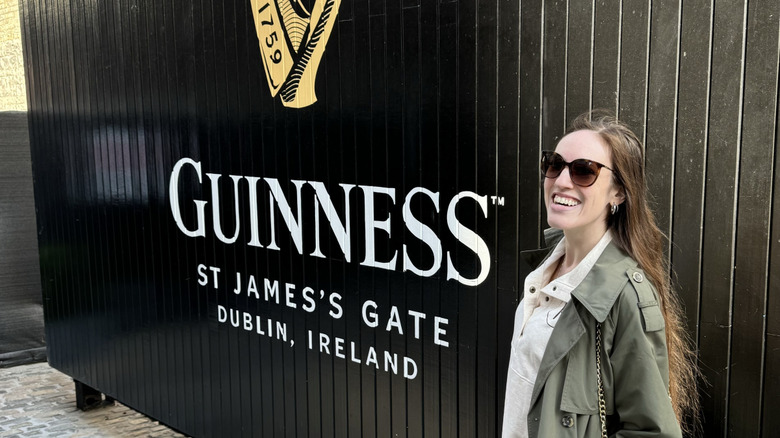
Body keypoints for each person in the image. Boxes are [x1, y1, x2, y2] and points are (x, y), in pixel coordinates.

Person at [502, 111, 699, 438]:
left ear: (618, 193)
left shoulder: (625, 297)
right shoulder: (548, 267)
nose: (562, 180)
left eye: (583, 171)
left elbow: (654, 432)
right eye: (554, 164)